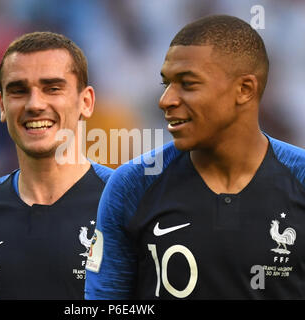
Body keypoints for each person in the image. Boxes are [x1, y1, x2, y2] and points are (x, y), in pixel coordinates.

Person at [85, 15, 305, 299]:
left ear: (244, 90)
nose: (166, 99)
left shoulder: (299, 178)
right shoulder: (132, 185)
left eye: (187, 84)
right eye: (166, 83)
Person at [0, 31, 113, 300]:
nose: (35, 104)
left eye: (52, 88)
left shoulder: (129, 202)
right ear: (2, 105)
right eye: (19, 91)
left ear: (86, 102)